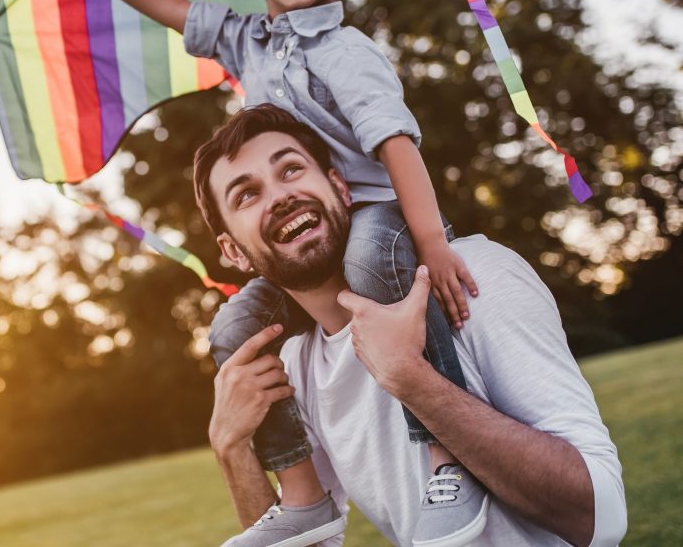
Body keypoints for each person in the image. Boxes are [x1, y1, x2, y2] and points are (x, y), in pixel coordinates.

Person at [58, 0, 485, 547]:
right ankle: (305, 494)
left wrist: (430, 241)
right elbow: (171, 10)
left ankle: (448, 459)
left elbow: (397, 145)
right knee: (233, 327)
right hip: (306, 236)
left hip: (374, 216)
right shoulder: (245, 44)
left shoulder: (347, 53)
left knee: (373, 257)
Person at [193, 104, 628, 547]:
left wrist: (411, 378)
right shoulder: (293, 369)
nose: (280, 196)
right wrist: (231, 450)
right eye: (246, 195)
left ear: (340, 187)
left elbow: (602, 517)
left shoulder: (471, 277)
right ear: (234, 253)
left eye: (290, 169)